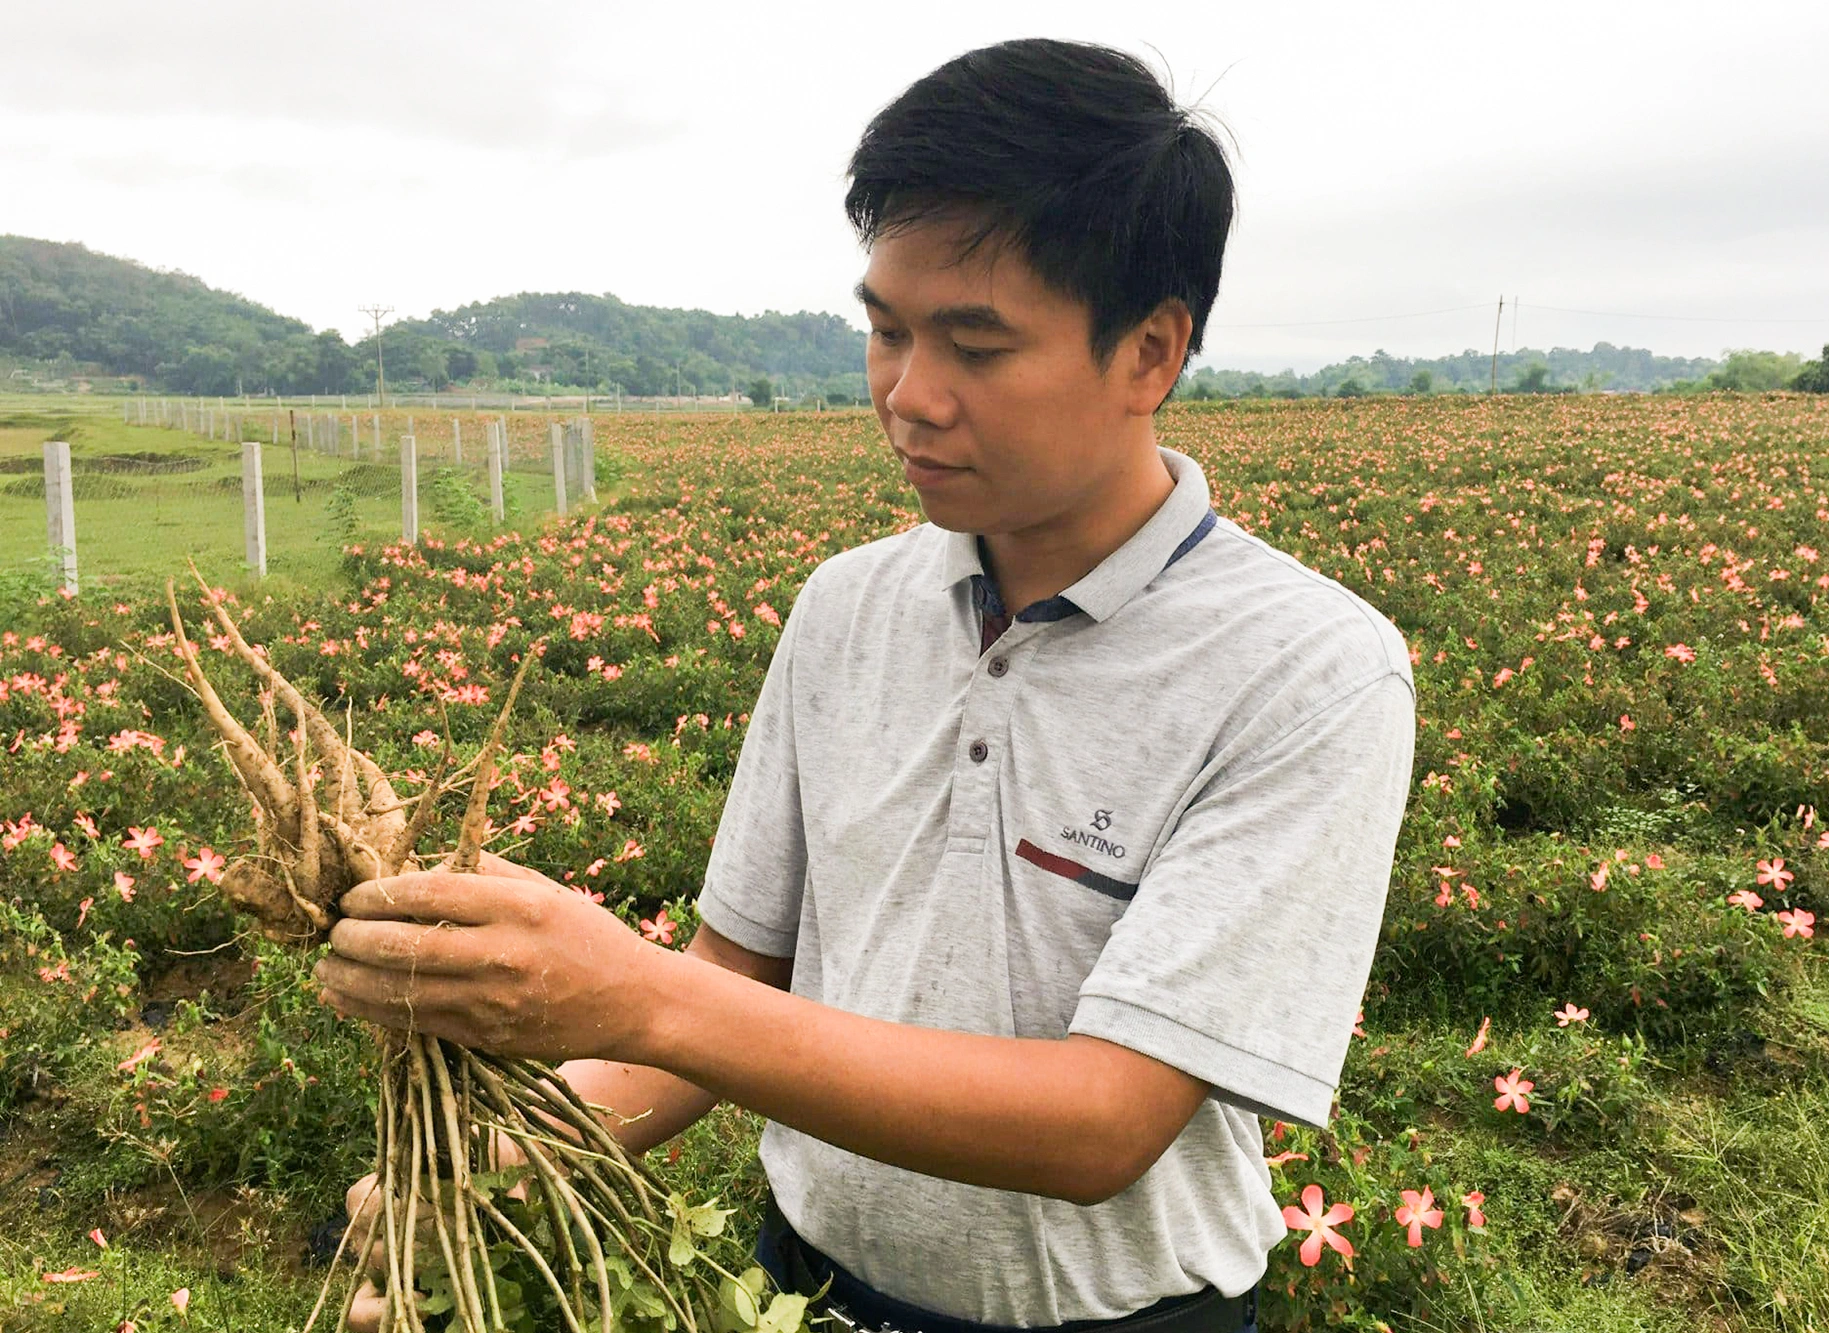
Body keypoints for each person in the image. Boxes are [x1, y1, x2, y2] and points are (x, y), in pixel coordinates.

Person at [321, 37, 1415, 1333]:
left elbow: (1106, 1120)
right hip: (804, 1282)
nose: (908, 396)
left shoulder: (1307, 670)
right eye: (886, 331)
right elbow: (743, 969)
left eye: (975, 345)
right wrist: (499, 1169)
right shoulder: (848, 608)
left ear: (1150, 353)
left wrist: (637, 994)